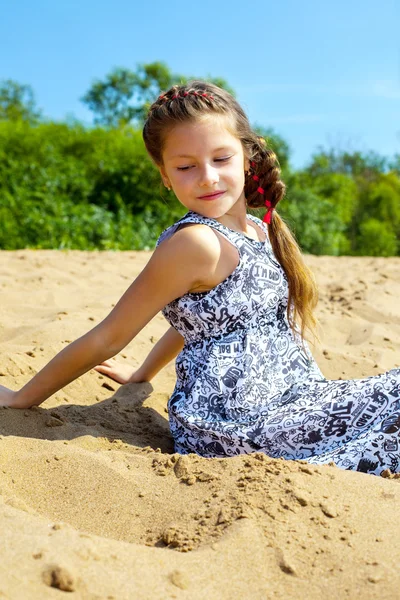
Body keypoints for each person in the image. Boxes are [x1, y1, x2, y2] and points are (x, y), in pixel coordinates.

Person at [1, 81, 399, 476]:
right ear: (165, 175)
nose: (207, 177)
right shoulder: (195, 244)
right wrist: (22, 398)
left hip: (294, 398)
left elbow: (203, 320)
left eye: (221, 159)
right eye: (186, 166)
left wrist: (143, 374)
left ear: (246, 158)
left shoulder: (259, 232)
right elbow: (109, 337)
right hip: (237, 424)